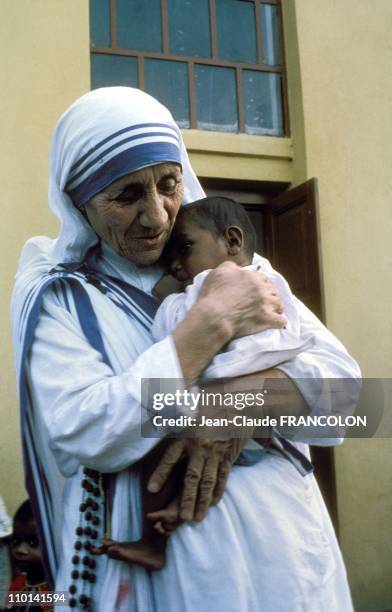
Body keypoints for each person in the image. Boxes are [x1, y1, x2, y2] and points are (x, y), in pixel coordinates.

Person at [11, 87, 361, 612]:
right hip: (166, 573)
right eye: (127, 196)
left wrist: (226, 409)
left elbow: (355, 399)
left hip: (286, 553)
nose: (157, 216)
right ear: (80, 203)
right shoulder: (63, 296)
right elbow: (84, 427)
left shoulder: (237, 266)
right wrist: (205, 329)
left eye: (169, 184)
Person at [95, 196, 318, 571]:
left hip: (270, 513)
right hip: (269, 445)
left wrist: (166, 301)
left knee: (156, 441)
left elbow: (355, 398)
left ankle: (153, 541)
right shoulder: (273, 282)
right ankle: (172, 518)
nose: (178, 267)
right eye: (170, 263)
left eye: (184, 250)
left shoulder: (217, 283)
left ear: (232, 241)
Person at [8, 500, 53, 612]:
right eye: (16, 541)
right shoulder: (17, 584)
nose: (20, 550)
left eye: (33, 542)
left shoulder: (57, 589)